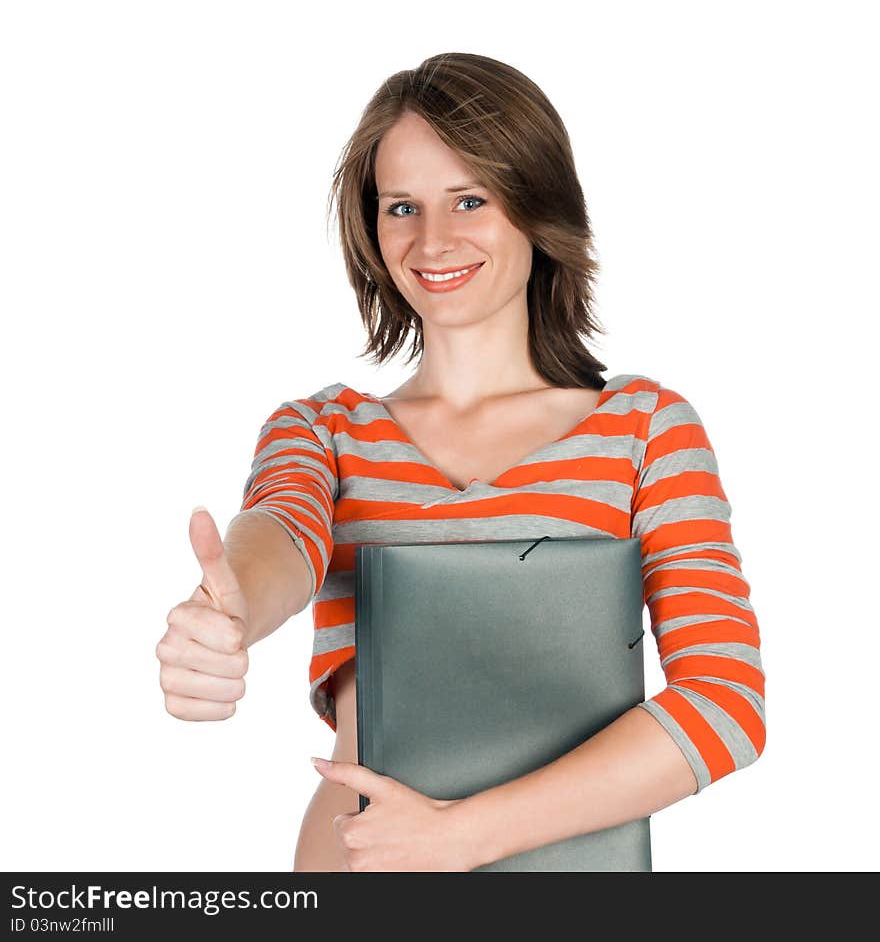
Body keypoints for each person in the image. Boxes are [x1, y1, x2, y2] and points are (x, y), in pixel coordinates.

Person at [157, 52, 766, 872]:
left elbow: (725, 704)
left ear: (536, 206)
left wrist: (462, 836)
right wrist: (228, 615)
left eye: (469, 199)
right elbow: (280, 534)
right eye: (401, 206)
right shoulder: (324, 429)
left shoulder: (644, 429)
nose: (432, 240)